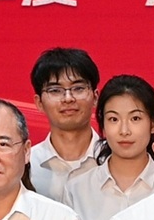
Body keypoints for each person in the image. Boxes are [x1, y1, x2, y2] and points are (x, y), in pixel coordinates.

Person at [66, 75, 154, 220]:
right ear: (103, 125)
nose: (124, 131)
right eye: (113, 119)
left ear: (153, 124)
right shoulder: (77, 189)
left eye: (135, 119)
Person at [22, 46, 107, 203]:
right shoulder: (25, 164)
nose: (68, 98)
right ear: (39, 102)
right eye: (55, 90)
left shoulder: (115, 158)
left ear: (95, 97)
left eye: (78, 88)